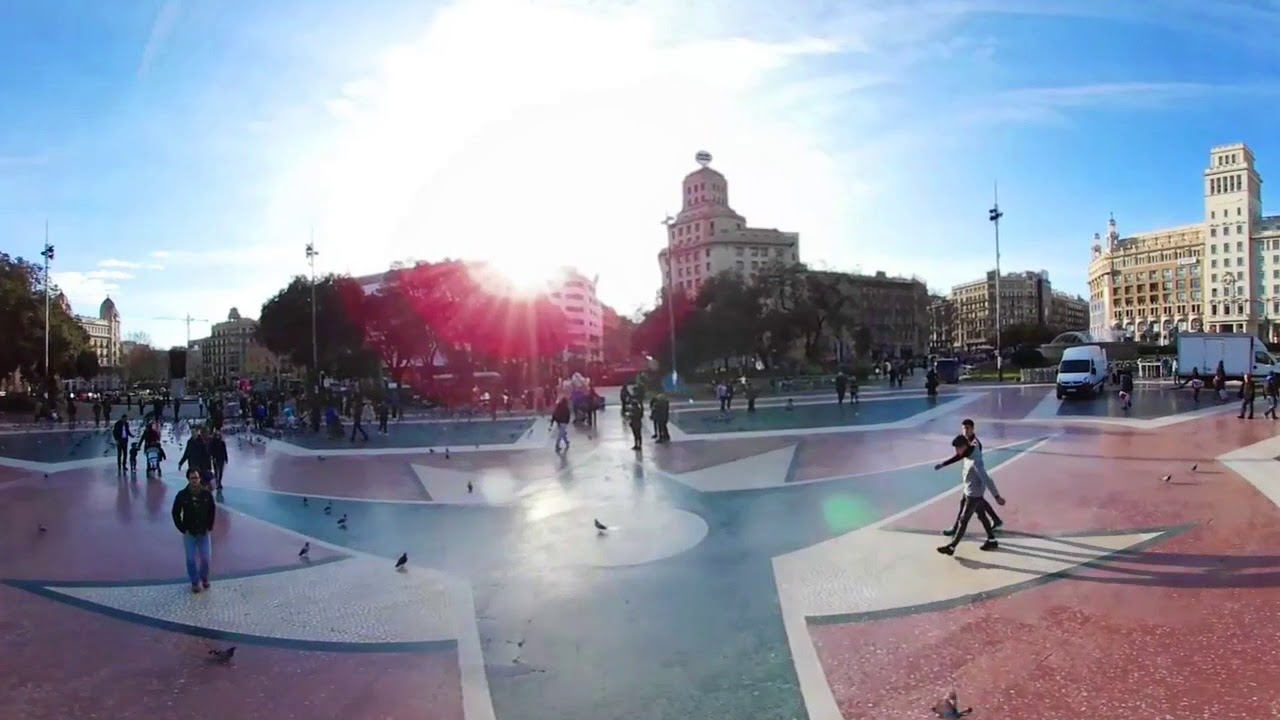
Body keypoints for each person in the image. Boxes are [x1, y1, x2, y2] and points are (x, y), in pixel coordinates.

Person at [934, 419, 1005, 555]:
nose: (956, 451)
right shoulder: (968, 450)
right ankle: (992, 539)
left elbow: (987, 479)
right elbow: (960, 456)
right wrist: (944, 464)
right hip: (970, 489)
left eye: (958, 449)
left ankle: (952, 547)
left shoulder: (975, 460)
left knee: (963, 520)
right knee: (982, 516)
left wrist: (997, 497)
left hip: (974, 493)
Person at [171, 467, 216, 593]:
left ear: (199, 478)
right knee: (190, 559)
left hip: (203, 531)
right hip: (189, 532)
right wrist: (182, 528)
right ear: (188, 480)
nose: (194, 480)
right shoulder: (182, 495)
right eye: (192, 478)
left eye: (196, 478)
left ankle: (204, 577)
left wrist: (209, 526)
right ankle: (195, 582)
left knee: (206, 558)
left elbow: (212, 510)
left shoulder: (206, 494)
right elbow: (175, 512)